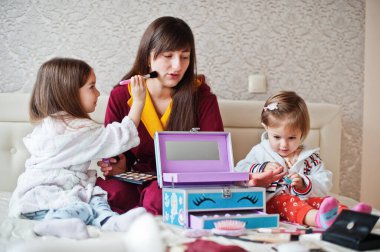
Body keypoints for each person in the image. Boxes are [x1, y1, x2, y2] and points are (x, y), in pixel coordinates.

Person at [95, 16, 227, 215]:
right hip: (132, 179)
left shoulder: (202, 98)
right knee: (112, 194)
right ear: (148, 57)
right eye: (168, 56)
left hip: (179, 182)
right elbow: (112, 150)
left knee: (159, 197)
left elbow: (216, 157)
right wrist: (113, 164)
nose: (177, 66)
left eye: (185, 56)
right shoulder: (121, 96)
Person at [9, 57, 148, 239]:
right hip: (43, 199)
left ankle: (111, 221)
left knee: (96, 198)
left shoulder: (53, 124)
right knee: (81, 205)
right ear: (69, 93)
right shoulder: (77, 130)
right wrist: (138, 101)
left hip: (45, 194)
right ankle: (55, 223)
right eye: (92, 87)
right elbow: (121, 136)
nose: (98, 93)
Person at [234, 91, 372, 228]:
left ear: (302, 131)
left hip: (306, 199)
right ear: (266, 127)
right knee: (288, 201)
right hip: (273, 202)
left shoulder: (310, 158)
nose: (284, 145)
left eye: (292, 138)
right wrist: (261, 168)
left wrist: (304, 183)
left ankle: (350, 217)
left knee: (326, 201)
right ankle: (319, 220)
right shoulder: (260, 152)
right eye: (277, 137)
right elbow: (238, 171)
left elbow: (324, 182)